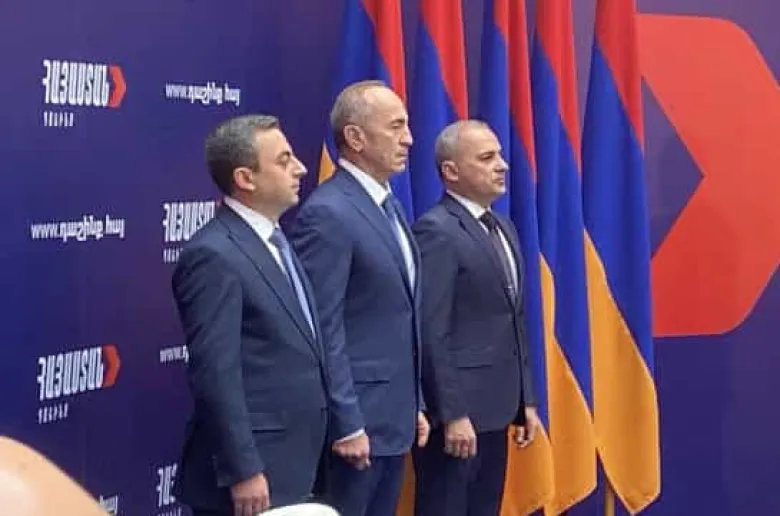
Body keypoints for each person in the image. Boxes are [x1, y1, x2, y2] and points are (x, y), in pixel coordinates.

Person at [172, 115, 329, 516]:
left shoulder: (276, 242)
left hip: (297, 460)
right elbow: (215, 372)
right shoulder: (213, 255)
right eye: (284, 160)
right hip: (251, 474)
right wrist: (242, 468)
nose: (301, 169)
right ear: (245, 178)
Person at [289, 80, 429, 516]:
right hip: (355, 431)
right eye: (396, 126)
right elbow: (322, 327)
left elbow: (395, 318)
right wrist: (346, 422)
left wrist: (414, 403)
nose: (409, 139)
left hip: (392, 421)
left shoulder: (388, 205)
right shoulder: (329, 212)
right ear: (355, 137)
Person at [411, 120, 541, 516]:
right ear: (451, 171)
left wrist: (526, 400)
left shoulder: (502, 227)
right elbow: (431, 331)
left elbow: (513, 321)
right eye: (487, 158)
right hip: (458, 419)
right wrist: (452, 413)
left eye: (499, 155)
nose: (502, 165)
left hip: (498, 411)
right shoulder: (436, 230)